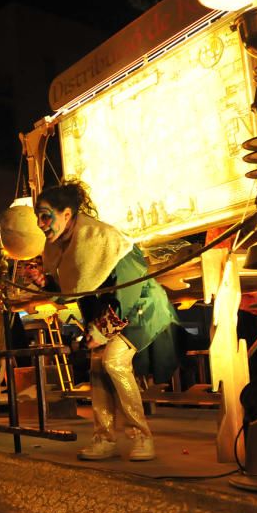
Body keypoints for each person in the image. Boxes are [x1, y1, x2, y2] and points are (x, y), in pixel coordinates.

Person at [34, 181, 179, 462]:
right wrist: (45, 284)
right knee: (97, 367)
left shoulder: (107, 240)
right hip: (106, 318)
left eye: (44, 215)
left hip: (140, 309)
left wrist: (103, 330)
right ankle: (104, 438)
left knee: (113, 361)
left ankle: (142, 436)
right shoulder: (60, 246)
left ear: (66, 214)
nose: (40, 224)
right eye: (38, 217)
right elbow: (71, 289)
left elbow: (128, 291)